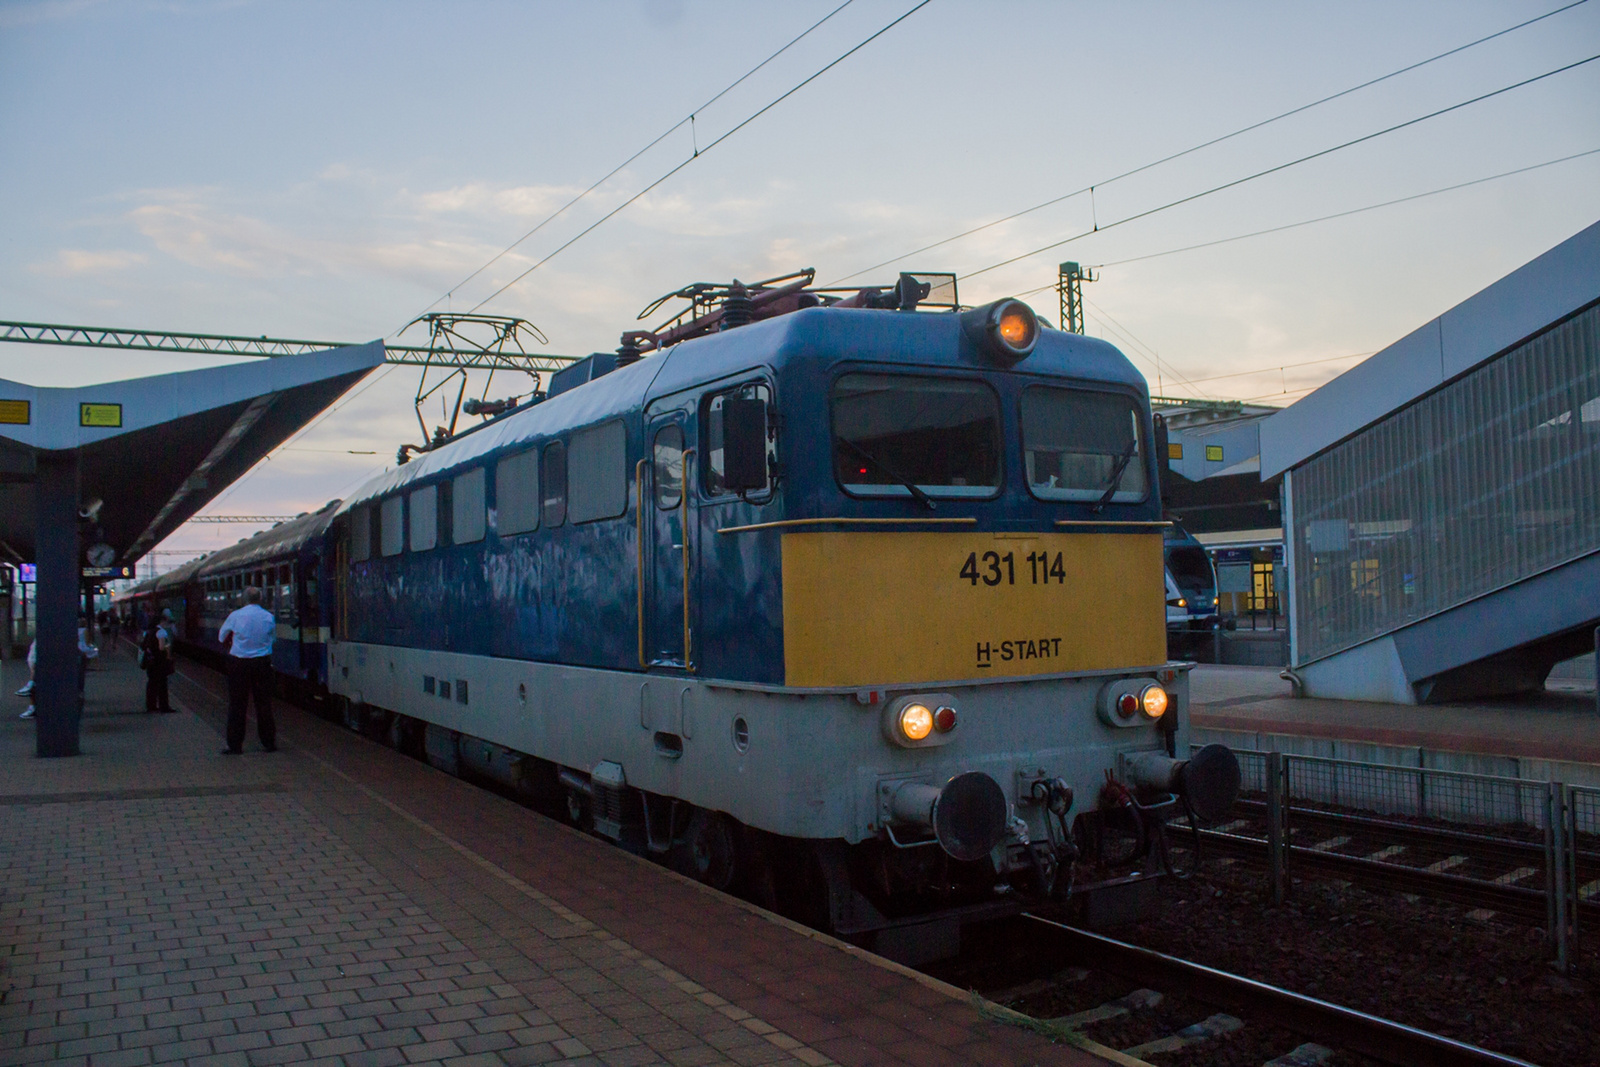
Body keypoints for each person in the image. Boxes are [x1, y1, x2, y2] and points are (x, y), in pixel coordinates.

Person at [218, 585, 276, 754]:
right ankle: (269, 743)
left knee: (237, 705)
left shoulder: (235, 616)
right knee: (264, 704)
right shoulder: (268, 617)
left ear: (244, 599)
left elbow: (221, 636)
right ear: (260, 599)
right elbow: (273, 639)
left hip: (239, 664)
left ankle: (235, 745)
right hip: (262, 664)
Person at [141, 612, 173, 713]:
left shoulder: (149, 632)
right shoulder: (161, 632)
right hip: (160, 661)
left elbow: (144, 646)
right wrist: (167, 647)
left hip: (150, 662)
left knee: (152, 684)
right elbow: (161, 647)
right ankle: (164, 706)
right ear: (161, 621)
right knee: (162, 685)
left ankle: (151, 706)